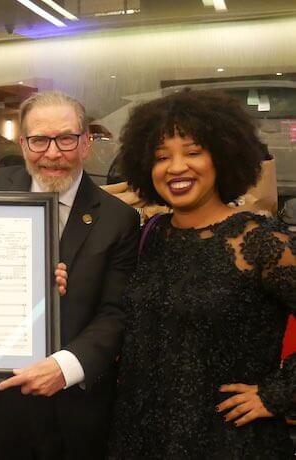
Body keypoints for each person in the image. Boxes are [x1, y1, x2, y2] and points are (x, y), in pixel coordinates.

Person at [107, 90, 295, 459]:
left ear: (223, 156)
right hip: (139, 438)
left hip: (229, 442)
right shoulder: (150, 234)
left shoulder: (260, 242)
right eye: (162, 157)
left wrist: (276, 394)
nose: (176, 167)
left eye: (193, 152)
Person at [0, 91, 141, 459]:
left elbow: (116, 313)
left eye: (66, 139)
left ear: (86, 142)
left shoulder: (118, 219)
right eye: (39, 140)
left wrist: (63, 367)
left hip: (71, 413)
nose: (53, 153)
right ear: (23, 143)